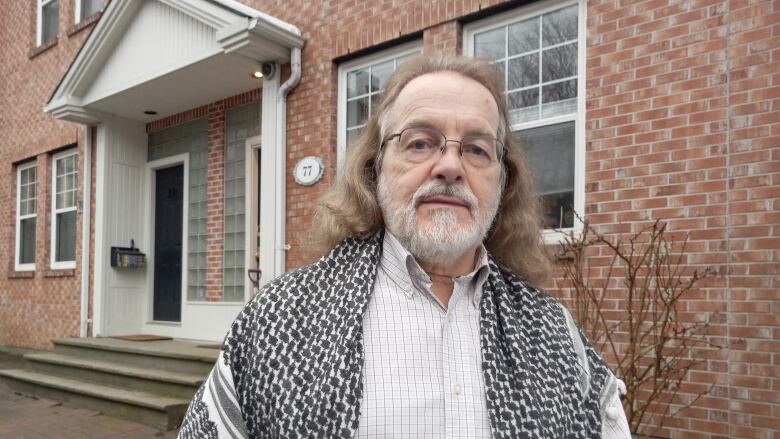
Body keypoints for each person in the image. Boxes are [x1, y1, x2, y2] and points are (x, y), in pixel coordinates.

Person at [178, 55, 630, 438]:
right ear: (374, 169)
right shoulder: (278, 320)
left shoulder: (554, 333)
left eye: (477, 150)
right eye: (420, 142)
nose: (450, 165)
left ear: (503, 181)